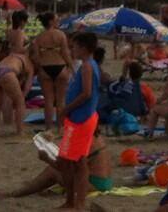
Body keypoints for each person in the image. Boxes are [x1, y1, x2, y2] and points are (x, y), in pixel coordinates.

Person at [0, 125, 113, 199]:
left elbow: (65, 168)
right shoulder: (94, 137)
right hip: (104, 181)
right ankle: (30, 187)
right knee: (54, 169)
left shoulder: (84, 140)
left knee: (52, 171)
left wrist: (46, 159)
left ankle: (14, 194)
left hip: (94, 184)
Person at [58, 31, 101, 210]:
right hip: (80, 117)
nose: (72, 50)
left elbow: (87, 92)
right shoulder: (88, 64)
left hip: (80, 119)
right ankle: (72, 200)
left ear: (83, 48)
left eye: (74, 46)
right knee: (70, 161)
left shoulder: (87, 66)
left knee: (77, 162)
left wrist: (66, 109)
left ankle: (77, 202)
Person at [30, 11, 72, 130]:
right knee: (60, 101)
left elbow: (36, 57)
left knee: (48, 101)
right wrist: (71, 68)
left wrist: (40, 67)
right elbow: (65, 53)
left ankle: (48, 127)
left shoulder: (39, 37)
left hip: (45, 67)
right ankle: (60, 126)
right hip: (60, 66)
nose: (58, 22)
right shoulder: (61, 35)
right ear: (50, 22)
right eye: (57, 20)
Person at [0, 50, 33, 137]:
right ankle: (20, 131)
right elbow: (28, 86)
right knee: (20, 102)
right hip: (7, 72)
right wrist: (22, 96)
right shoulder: (30, 65)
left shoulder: (14, 55)